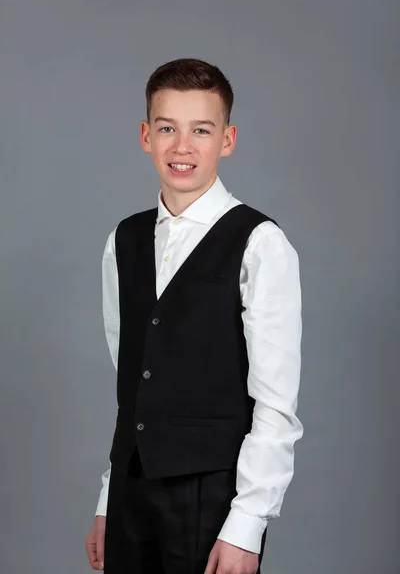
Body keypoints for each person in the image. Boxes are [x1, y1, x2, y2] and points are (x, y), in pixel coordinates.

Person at [85, 57, 304, 574]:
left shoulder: (259, 243)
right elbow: (131, 387)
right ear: (146, 135)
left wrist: (248, 523)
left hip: (213, 499)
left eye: (200, 130)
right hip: (131, 494)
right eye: (167, 128)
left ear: (226, 140)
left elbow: (275, 404)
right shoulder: (124, 239)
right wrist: (107, 500)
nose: (182, 147)